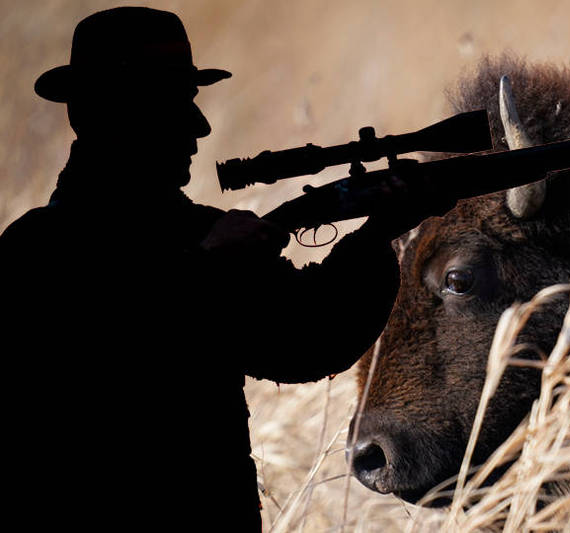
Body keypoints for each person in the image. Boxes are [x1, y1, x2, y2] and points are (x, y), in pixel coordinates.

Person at [0, 7, 428, 531]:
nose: (200, 127)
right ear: (121, 111)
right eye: (177, 103)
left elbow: (308, 340)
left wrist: (375, 235)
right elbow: (100, 357)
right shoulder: (34, 252)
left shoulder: (197, 232)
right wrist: (211, 267)